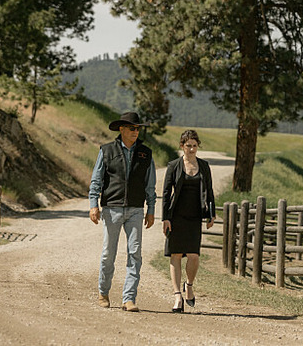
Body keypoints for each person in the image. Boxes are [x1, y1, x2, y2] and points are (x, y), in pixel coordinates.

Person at [88, 112, 156, 312]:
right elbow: (96, 180)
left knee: (135, 254)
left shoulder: (146, 153)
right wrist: (94, 204)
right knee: (109, 253)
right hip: (112, 209)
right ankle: (103, 292)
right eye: (132, 128)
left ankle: (129, 298)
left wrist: (150, 210)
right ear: (122, 129)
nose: (136, 132)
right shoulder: (107, 151)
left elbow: (150, 185)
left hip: (136, 209)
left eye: (138, 128)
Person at [162, 129, 215, 313]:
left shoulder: (204, 166)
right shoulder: (173, 166)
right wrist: (166, 218)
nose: (191, 149)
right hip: (176, 216)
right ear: (182, 146)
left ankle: (189, 285)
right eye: (188, 146)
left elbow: (209, 190)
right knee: (175, 254)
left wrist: (211, 214)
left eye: (194, 146)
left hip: (195, 216)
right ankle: (177, 296)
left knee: (194, 255)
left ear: (197, 146)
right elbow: (167, 194)